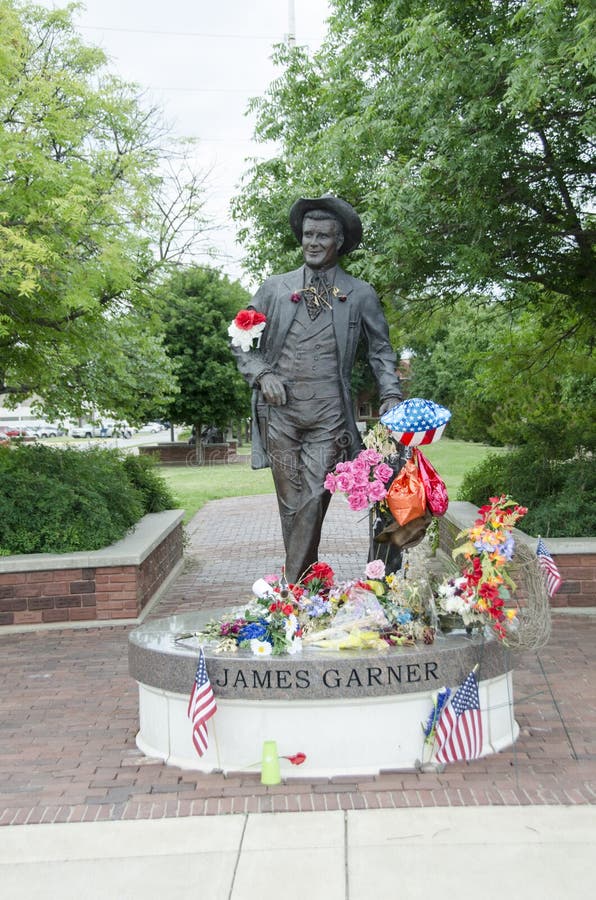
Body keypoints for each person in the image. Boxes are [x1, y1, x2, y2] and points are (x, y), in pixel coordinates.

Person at [231, 195, 402, 583]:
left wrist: (390, 395)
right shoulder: (274, 289)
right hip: (281, 416)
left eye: (322, 235)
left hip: (329, 416)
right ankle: (306, 590)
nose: (312, 242)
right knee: (291, 507)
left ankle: (289, 596)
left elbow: (380, 351)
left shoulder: (360, 293)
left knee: (312, 499)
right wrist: (260, 374)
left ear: (338, 241)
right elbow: (240, 338)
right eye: (307, 234)